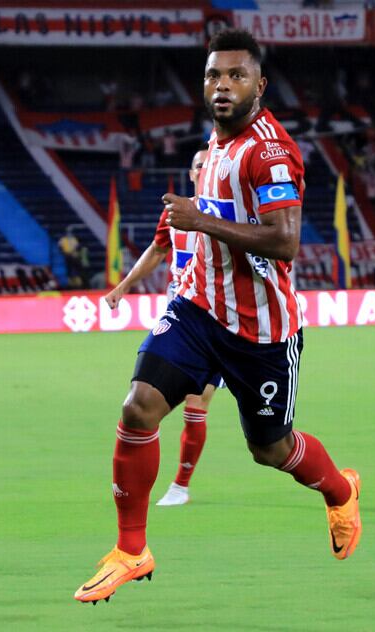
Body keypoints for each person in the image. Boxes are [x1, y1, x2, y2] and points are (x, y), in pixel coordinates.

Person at [75, 29, 361, 606]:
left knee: (271, 449)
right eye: (213, 75)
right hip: (198, 309)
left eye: (235, 76)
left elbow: (285, 242)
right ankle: (132, 550)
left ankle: (339, 490)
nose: (222, 85)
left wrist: (199, 220)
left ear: (260, 84)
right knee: (138, 406)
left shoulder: (271, 150)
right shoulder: (216, 142)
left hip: (261, 331)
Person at [105, 148, 215, 508]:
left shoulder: (228, 214)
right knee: (142, 401)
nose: (205, 168)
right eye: (200, 164)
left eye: (210, 163)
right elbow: (155, 251)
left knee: (198, 406)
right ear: (192, 173)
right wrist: (123, 286)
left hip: (218, 323)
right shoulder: (175, 214)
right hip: (180, 320)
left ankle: (181, 485)